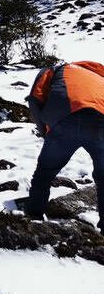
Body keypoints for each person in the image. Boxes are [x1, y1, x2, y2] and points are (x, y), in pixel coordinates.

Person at [25, 61, 104, 232]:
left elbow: (34, 98)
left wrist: (45, 131)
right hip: (100, 121)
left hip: (66, 120)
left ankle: (34, 217)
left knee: (44, 173)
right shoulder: (99, 77)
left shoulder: (55, 70)